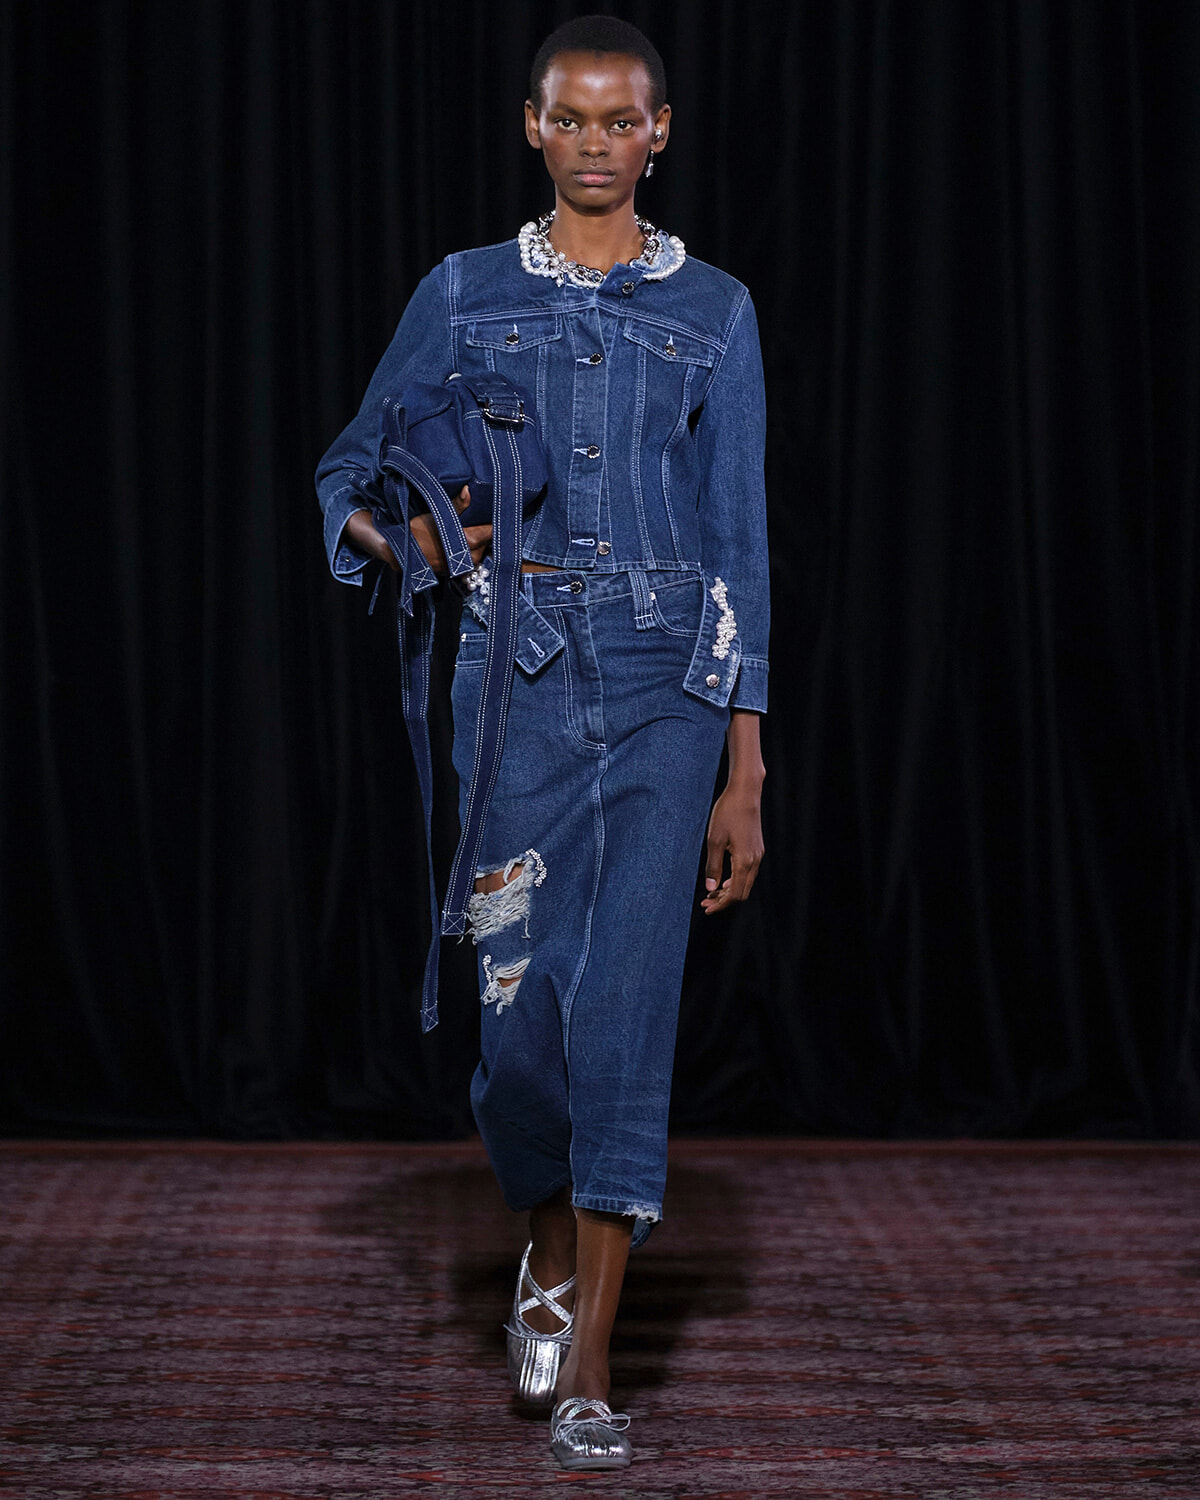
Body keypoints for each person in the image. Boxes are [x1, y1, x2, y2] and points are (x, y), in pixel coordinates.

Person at [316, 15, 768, 1472]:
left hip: (668, 685)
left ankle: (590, 1365)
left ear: (660, 132)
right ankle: (549, 1246)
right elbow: (345, 475)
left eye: (619, 120)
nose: (593, 143)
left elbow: (741, 548)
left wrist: (747, 770)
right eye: (569, 118)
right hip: (513, 681)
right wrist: (423, 546)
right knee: (517, 1021)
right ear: (531, 127)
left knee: (627, 1008)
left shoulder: (716, 311)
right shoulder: (463, 292)